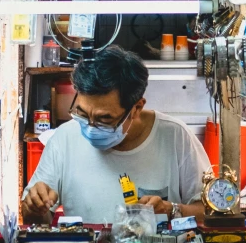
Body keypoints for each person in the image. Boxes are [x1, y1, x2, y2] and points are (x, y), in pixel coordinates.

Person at [22, 46, 210, 225]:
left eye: (104, 119)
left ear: (136, 108)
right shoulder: (64, 139)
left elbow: (211, 211)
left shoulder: (176, 137)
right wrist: (34, 208)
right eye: (82, 113)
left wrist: (173, 210)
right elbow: (35, 219)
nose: (90, 126)